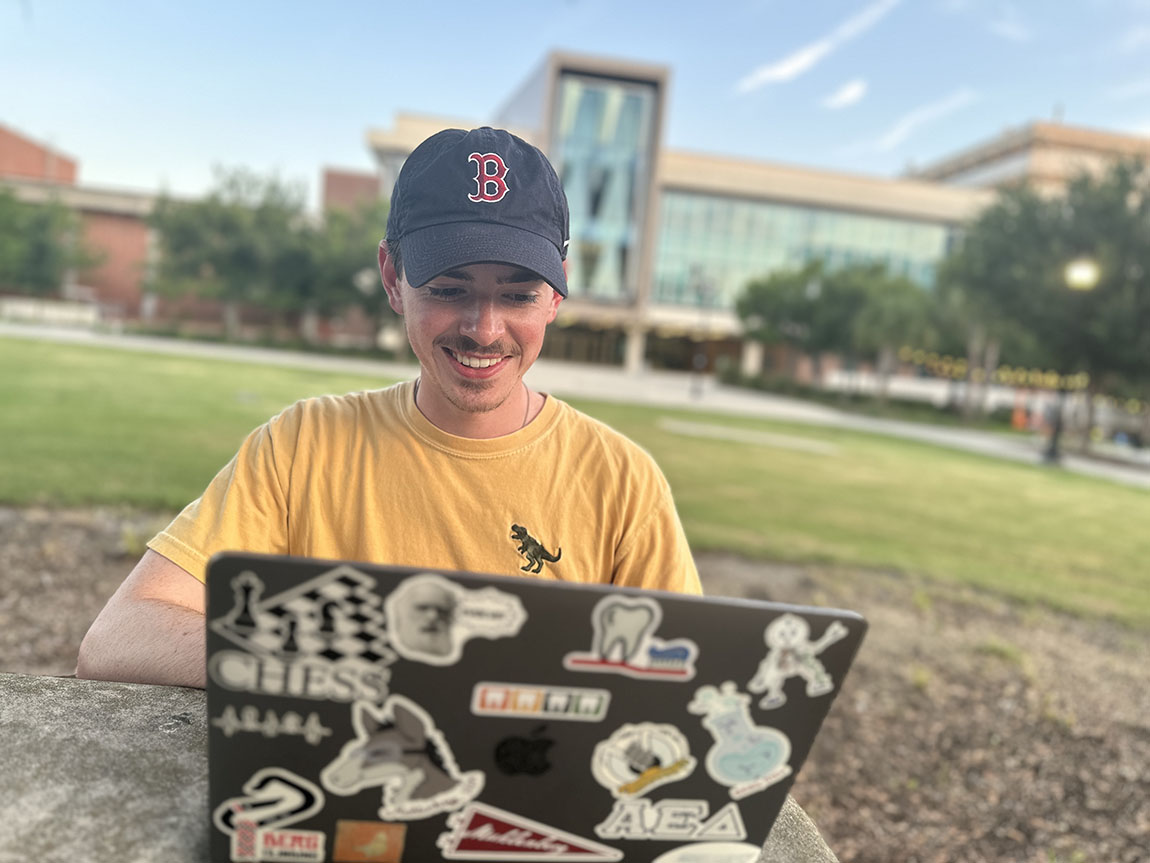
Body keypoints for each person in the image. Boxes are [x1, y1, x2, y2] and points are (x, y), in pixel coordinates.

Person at [76, 126, 702, 689]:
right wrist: (338, 670)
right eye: (449, 290)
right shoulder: (303, 445)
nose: (485, 330)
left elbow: (690, 674)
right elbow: (119, 635)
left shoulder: (623, 481)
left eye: (517, 294)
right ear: (392, 278)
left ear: (557, 294)